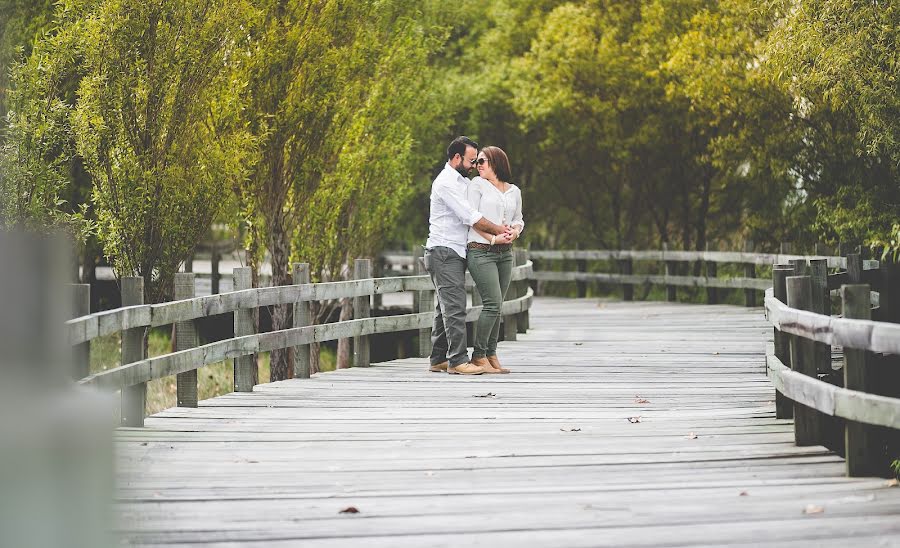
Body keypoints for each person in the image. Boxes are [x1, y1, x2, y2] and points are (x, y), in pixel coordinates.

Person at [424, 137, 515, 375]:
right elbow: (470, 216)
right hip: (444, 250)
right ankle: (457, 361)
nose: (474, 165)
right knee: (455, 307)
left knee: (443, 307)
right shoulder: (445, 183)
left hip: (455, 250)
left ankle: (438, 358)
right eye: (471, 160)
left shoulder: (463, 182)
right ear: (456, 158)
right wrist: (499, 230)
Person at [466, 146, 524, 374]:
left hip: (505, 253)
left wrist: (515, 232)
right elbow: (472, 219)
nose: (478, 165)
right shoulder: (477, 185)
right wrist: (493, 238)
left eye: (482, 161)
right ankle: (479, 356)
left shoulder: (514, 191)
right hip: (481, 251)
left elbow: (519, 218)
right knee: (491, 304)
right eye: (477, 161)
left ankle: (491, 354)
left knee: (497, 306)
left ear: (496, 162)